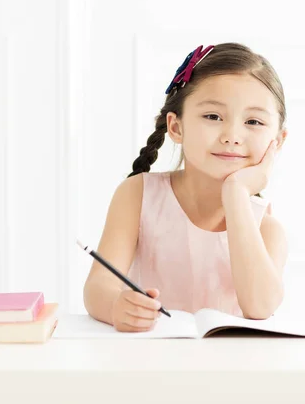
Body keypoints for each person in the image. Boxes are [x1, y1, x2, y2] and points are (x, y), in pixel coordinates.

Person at [83, 42, 289, 332]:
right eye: (213, 117)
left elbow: (260, 307)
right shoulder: (137, 195)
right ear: (176, 127)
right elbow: (97, 288)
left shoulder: (267, 228)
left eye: (253, 121)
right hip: (151, 364)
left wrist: (236, 193)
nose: (232, 135)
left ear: (277, 141)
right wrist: (117, 305)